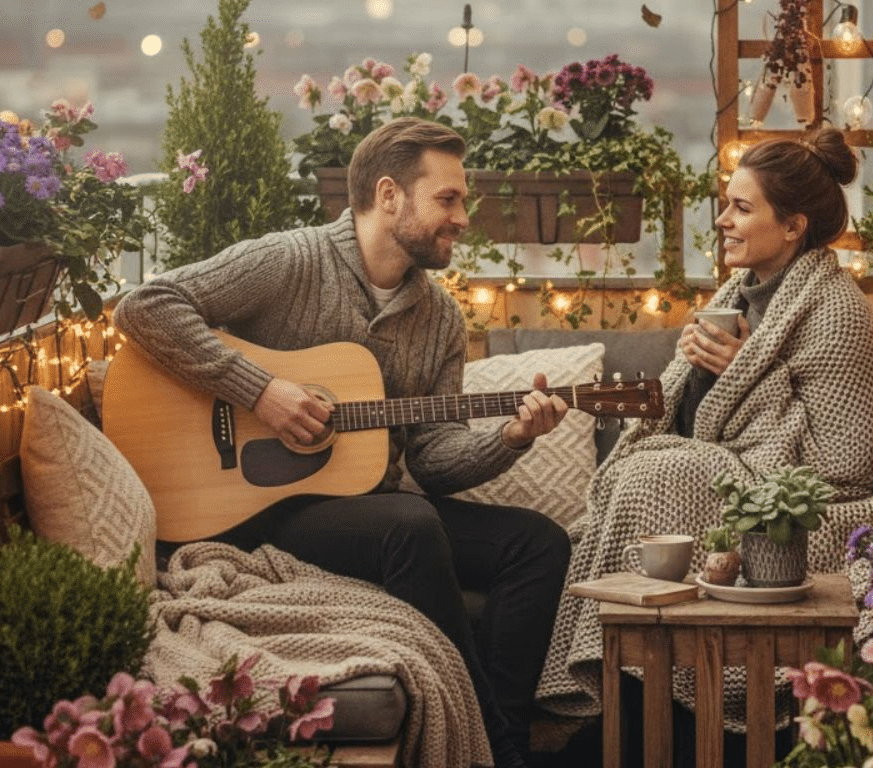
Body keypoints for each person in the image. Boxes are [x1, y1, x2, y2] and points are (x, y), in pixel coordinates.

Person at [113, 117, 572, 768]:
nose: (463, 217)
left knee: (539, 543)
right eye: (449, 198)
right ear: (390, 196)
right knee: (407, 524)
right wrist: (260, 391)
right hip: (245, 508)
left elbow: (433, 459)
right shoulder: (291, 260)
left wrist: (512, 436)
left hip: (356, 509)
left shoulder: (437, 315)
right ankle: (497, 749)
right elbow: (145, 305)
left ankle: (502, 735)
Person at [534, 127, 873, 729]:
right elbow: (694, 421)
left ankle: (641, 705)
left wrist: (748, 372)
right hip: (737, 474)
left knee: (656, 474)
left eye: (741, 208)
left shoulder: (839, 311)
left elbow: (848, 462)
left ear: (794, 226)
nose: (722, 220)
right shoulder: (738, 293)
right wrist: (695, 371)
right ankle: (636, 693)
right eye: (726, 203)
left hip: (834, 503)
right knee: (649, 470)